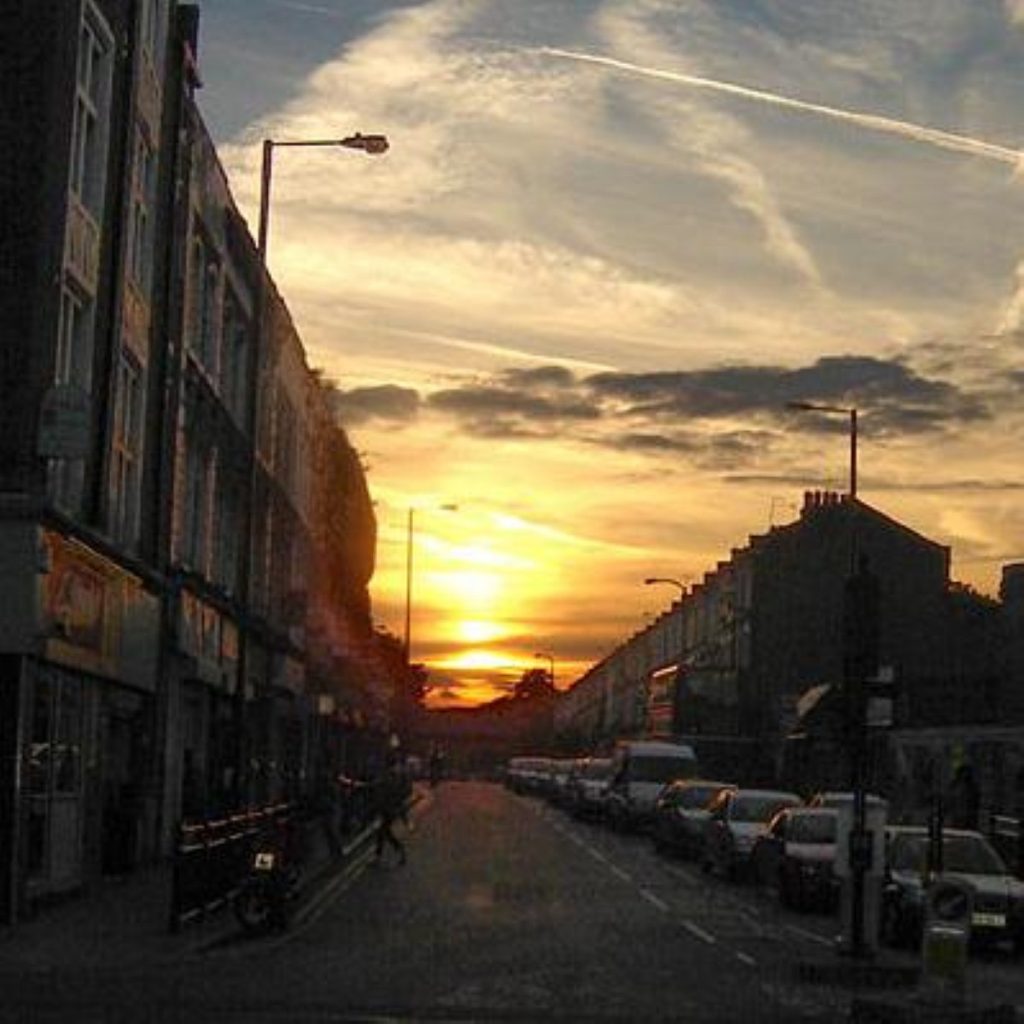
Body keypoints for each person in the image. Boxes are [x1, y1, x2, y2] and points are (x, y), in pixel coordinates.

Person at [373, 762, 408, 866]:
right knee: (384, 832)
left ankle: (399, 852)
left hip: (388, 809)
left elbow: (385, 793)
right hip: (389, 809)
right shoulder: (393, 777)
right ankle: (399, 853)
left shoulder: (388, 778)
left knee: (383, 832)